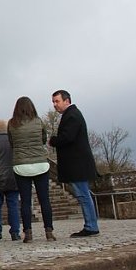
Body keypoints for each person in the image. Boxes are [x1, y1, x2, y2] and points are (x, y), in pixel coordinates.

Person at [48, 90, 100, 237]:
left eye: (57, 101)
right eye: (53, 102)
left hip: (78, 164)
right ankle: (91, 224)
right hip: (78, 163)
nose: (55, 105)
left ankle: (91, 226)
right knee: (83, 195)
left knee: (83, 195)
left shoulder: (72, 115)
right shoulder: (72, 114)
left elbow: (67, 137)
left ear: (67, 101)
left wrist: (53, 140)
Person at [8, 96, 55, 243]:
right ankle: (49, 231)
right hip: (40, 163)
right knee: (44, 200)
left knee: (25, 201)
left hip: (21, 165)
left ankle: (28, 233)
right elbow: (42, 139)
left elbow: (12, 143)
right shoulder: (38, 121)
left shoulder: (12, 124)